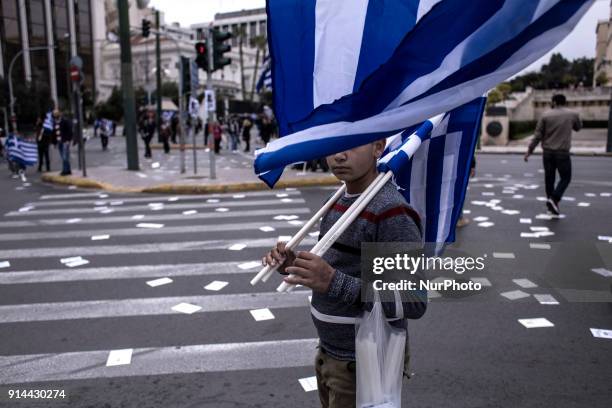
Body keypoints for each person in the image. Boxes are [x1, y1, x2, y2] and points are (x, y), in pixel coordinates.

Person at [262, 141, 427, 408]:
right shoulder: (337, 200)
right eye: (335, 144)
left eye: (353, 144)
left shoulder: (390, 211)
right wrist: (294, 265)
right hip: (330, 353)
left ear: (378, 147)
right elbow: (334, 268)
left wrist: (332, 281)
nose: (339, 154)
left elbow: (413, 300)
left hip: (365, 362)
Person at [524, 94, 582, 216]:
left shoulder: (545, 115)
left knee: (549, 179)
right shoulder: (573, 114)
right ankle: (555, 199)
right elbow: (578, 128)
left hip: (548, 153)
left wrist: (529, 151)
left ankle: (552, 204)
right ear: (564, 102)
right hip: (562, 152)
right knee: (566, 178)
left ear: (554, 102)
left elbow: (537, 136)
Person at [53, 110, 73, 176]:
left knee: (65, 156)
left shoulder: (64, 121)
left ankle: (65, 170)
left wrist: (68, 140)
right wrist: (55, 142)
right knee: (63, 157)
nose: (55, 115)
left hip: (65, 141)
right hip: (59, 141)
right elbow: (55, 133)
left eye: (56, 114)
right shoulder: (55, 122)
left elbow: (69, 130)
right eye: (54, 114)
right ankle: (68, 170)